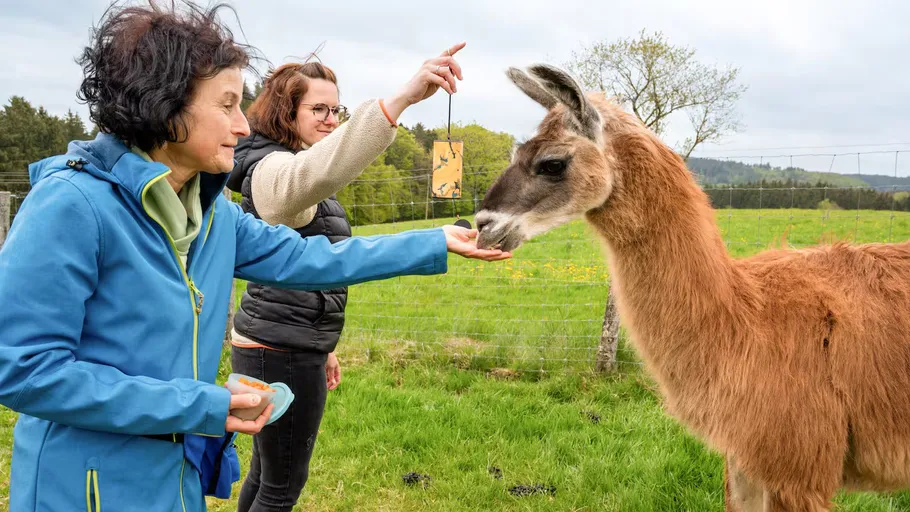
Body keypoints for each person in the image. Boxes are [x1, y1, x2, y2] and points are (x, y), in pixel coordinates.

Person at [0, 3, 508, 511]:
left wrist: (435, 240)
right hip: (83, 489)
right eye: (226, 105)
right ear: (165, 105)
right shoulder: (72, 204)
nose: (243, 126)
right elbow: (24, 370)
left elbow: (315, 260)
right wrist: (202, 405)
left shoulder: (210, 211)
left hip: (173, 480)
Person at [224, 45, 466, 511]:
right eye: (317, 109)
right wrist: (400, 102)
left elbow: (309, 268)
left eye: (336, 110)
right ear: (283, 112)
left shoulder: (280, 161)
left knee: (265, 472)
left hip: (275, 339)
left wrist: (325, 345)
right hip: (283, 350)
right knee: (281, 485)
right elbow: (305, 179)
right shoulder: (272, 171)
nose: (331, 119)